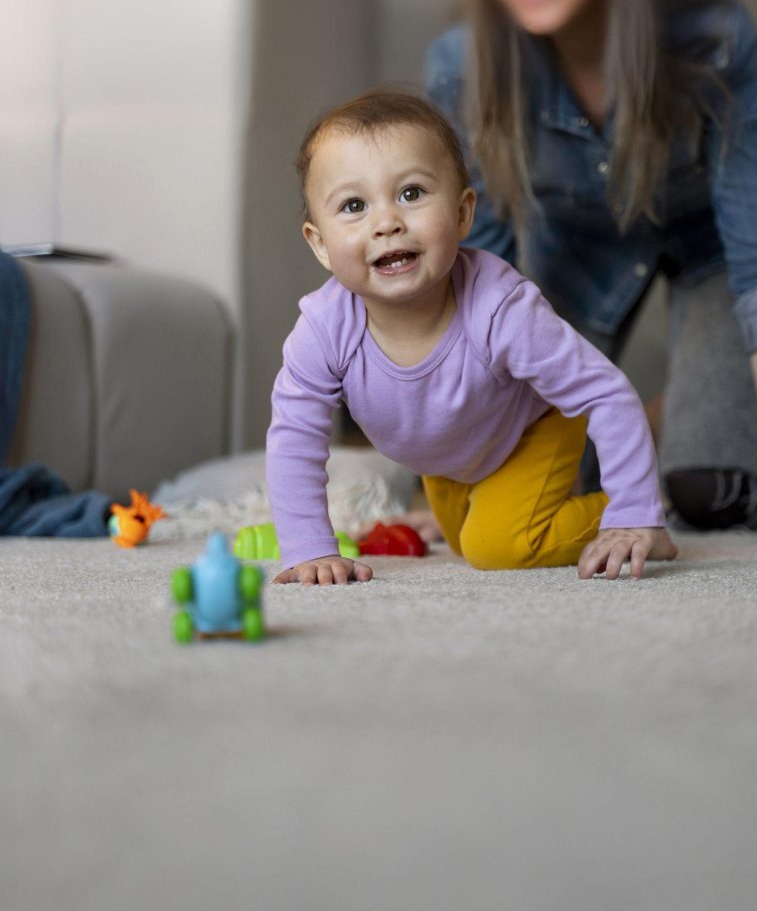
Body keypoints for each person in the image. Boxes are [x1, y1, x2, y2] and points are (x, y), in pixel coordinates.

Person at [424, 0, 757, 556]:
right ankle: (651, 418)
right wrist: (469, 479)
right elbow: (483, 296)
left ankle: (680, 412)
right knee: (548, 486)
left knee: (708, 493)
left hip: (718, 248)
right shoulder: (461, 66)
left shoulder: (715, 33)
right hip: (579, 245)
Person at [266, 90, 677, 585]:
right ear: (320, 245)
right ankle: (505, 504)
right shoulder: (323, 329)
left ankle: (639, 510)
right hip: (449, 455)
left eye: (412, 193)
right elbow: (294, 438)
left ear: (462, 214)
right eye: (354, 205)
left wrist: (635, 513)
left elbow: (605, 392)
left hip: (531, 429)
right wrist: (308, 547)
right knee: (462, 540)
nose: (387, 222)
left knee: (497, 545)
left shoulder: (500, 309)